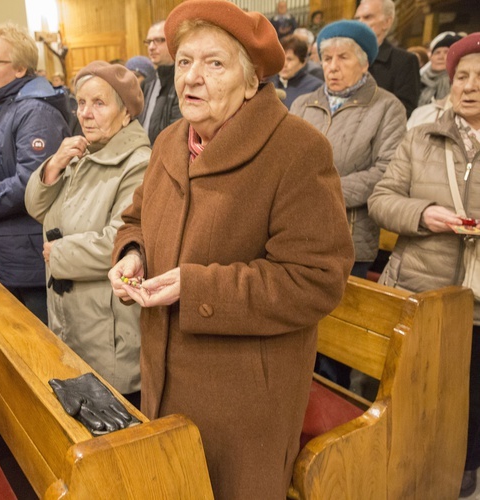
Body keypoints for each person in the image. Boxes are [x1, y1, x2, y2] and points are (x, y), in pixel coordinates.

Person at [108, 1, 354, 496]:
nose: (192, 78)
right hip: (163, 375)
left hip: (243, 395)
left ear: (250, 81)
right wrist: (131, 254)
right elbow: (135, 218)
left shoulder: (296, 150)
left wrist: (196, 286)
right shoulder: (170, 141)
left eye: (214, 63)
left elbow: (315, 280)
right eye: (184, 62)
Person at [368, 33, 480, 498]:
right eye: (462, 76)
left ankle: (466, 464)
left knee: (471, 393)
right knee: (419, 388)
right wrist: (422, 214)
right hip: (422, 284)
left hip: (476, 298)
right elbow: (381, 199)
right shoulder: (421, 138)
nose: (469, 86)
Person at [25, 61, 149, 404]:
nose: (86, 114)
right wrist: (53, 166)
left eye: (99, 103)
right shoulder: (81, 154)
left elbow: (123, 238)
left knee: (114, 424)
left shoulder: (138, 163)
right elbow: (38, 210)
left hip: (108, 328)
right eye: (80, 103)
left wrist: (58, 253)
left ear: (126, 113)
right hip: (72, 317)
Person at [290, 20, 406, 388]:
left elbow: (385, 173)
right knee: (301, 332)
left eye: (343, 58)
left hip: (350, 240)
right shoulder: (302, 103)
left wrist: (320, 190)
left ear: (365, 63)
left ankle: (339, 397)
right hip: (295, 237)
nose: (332, 66)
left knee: (338, 341)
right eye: (325, 58)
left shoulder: (386, 108)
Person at [0, 24, 70, 323]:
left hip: (29, 254)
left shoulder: (35, 111)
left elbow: (30, 182)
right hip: (5, 246)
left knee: (38, 345)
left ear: (20, 69)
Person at [355, 0, 420, 117]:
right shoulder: (348, 59)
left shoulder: (404, 61)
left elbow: (405, 110)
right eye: (357, 19)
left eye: (367, 17)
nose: (360, 23)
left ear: (387, 22)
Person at [137, 21, 183, 144]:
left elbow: (178, 133)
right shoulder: (147, 83)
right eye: (149, 42)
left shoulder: (183, 82)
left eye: (159, 40)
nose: (151, 47)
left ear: (174, 42)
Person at [270, 35, 323, 109]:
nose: (284, 64)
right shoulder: (269, 83)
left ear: (303, 62)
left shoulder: (314, 87)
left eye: (289, 59)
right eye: (281, 58)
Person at [419, 31, 464, 106]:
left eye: (446, 52)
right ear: (431, 58)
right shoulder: (419, 80)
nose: (440, 57)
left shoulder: (460, 82)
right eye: (437, 52)